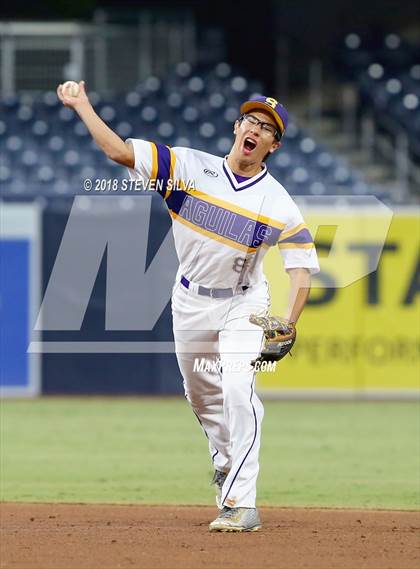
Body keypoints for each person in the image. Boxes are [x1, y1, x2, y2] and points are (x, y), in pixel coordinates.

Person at [57, 81, 320, 532]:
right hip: (190, 300)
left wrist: (289, 322)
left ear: (273, 145)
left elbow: (301, 267)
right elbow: (120, 153)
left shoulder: (276, 201)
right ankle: (223, 454)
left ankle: (241, 503)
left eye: (267, 128)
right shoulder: (188, 168)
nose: (255, 129)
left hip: (245, 303)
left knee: (239, 388)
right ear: (238, 127)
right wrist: (82, 105)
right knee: (202, 396)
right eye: (251, 121)